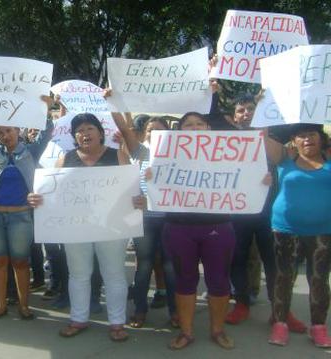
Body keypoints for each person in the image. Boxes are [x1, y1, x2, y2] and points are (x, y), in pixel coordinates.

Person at [28, 113, 142, 341]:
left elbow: (132, 190)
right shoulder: (65, 160)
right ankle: (78, 319)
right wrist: (37, 199)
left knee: (115, 275)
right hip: (76, 229)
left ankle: (117, 323)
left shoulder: (117, 156)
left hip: (112, 228)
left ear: (100, 133)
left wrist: (138, 200)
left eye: (89, 128)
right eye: (79, 131)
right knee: (79, 274)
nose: (84, 133)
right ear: (74, 137)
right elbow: (52, 195)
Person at [156, 112, 247, 350]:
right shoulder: (167, 156)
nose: (195, 128)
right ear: (180, 130)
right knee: (184, 279)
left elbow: (246, 176)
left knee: (218, 279)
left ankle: (217, 330)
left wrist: (261, 180)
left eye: (200, 124)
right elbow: (154, 183)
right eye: (188, 125)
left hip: (218, 226)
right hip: (178, 227)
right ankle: (186, 332)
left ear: (208, 127)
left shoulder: (225, 154)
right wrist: (152, 177)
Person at [0, 95, 53, 321]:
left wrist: (47, 106)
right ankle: (0, 306)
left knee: (21, 262)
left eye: (8, 131)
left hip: (20, 218)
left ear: (17, 130)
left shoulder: (32, 152)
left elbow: (47, 131)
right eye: (0, 133)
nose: (4, 136)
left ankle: (24, 306)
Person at [225, 95, 305, 332]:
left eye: (251, 109)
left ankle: (281, 310)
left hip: (270, 213)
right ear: (234, 116)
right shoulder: (223, 142)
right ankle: (241, 303)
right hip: (237, 213)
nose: (246, 113)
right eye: (241, 110)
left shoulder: (274, 141)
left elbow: (283, 159)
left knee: (276, 264)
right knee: (237, 259)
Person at [264, 123, 331, 348]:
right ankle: (280, 324)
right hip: (285, 229)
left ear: (321, 138)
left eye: (311, 135)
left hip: (323, 230)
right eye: (301, 136)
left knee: (319, 279)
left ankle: (318, 327)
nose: (307, 140)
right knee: (284, 277)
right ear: (294, 140)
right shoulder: (285, 158)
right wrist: (267, 105)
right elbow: (265, 135)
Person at [127, 116, 178, 328]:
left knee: (171, 267)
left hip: (169, 219)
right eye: (150, 130)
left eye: (159, 130)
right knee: (144, 265)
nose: (153, 133)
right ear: (144, 134)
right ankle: (140, 310)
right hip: (145, 219)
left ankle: (176, 312)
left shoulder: (178, 154)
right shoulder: (139, 153)